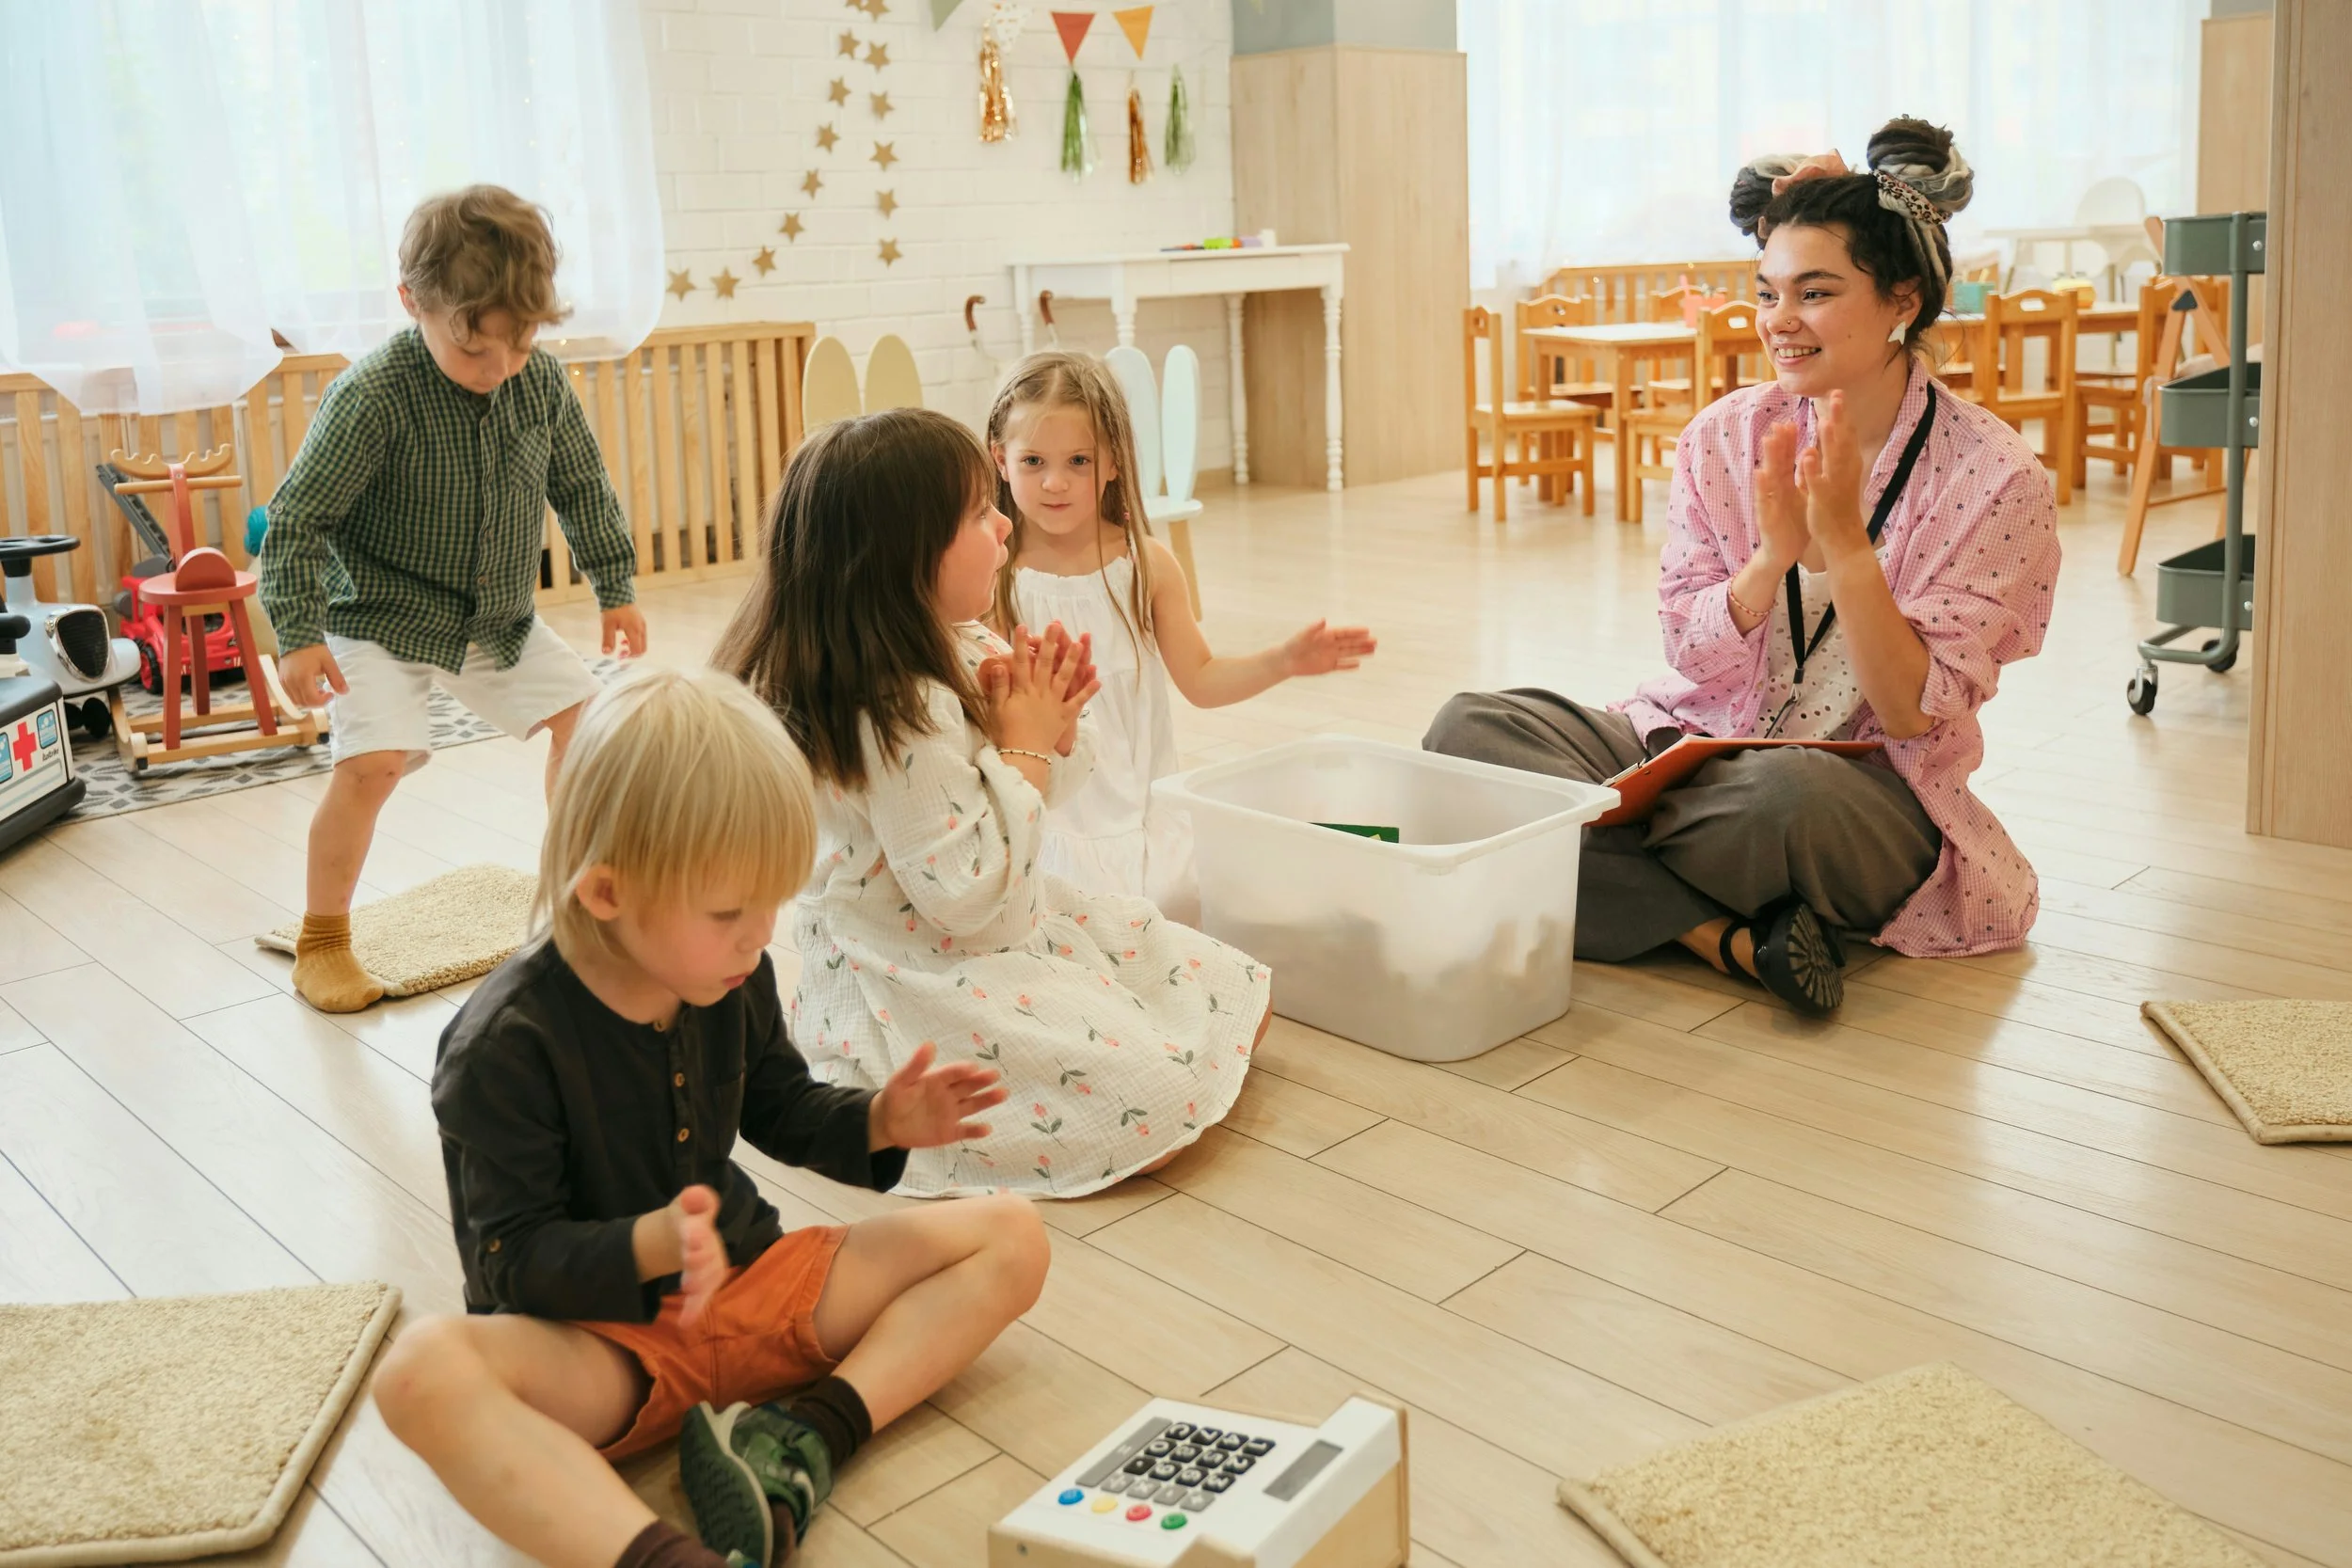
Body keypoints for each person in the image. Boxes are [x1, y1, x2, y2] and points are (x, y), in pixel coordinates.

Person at [375, 667, 1047, 1568]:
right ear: (606, 892)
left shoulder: (729, 973)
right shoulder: (504, 1044)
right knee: (420, 1370)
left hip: (751, 1286)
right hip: (604, 1349)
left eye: (771, 901)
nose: (758, 934)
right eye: (729, 910)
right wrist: (648, 1246)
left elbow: (781, 1106)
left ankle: (803, 1436)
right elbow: (513, 1267)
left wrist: (882, 1121)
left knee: (1013, 1235)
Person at [1424, 117, 2058, 1016]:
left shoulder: (1996, 480)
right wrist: (1769, 562)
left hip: (1852, 796)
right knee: (1469, 735)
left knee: (1778, 794)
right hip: (1690, 747)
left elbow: (1913, 709)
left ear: (1904, 299)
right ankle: (1720, 934)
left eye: (1815, 292)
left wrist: (1845, 545)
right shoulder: (1723, 436)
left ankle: (1574, 851)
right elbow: (1692, 651)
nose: (1779, 323)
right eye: (1767, 293)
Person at [713, 406, 1272, 1199]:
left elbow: (1027, 802)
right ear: (904, 556)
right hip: (921, 971)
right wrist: (1025, 746)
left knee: (1238, 987)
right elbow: (968, 897)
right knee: (1158, 1101)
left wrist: (1055, 729)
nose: (1005, 525)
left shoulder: (959, 638)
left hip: (1001, 923)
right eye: (979, 513)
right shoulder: (893, 708)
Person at [260, 185, 647, 1016]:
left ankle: (580, 899)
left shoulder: (538, 384)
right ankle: (322, 937)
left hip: (496, 616)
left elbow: (583, 487)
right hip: (378, 614)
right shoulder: (372, 395)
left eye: (517, 345)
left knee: (586, 727)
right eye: (473, 350)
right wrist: (296, 633)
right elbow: (298, 516)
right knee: (372, 766)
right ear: (413, 305)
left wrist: (615, 586)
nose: (497, 369)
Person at [988, 351, 1375, 918]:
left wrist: (1284, 660)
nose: (1055, 482)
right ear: (1001, 460)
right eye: (1033, 461)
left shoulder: (1146, 565)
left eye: (1078, 460)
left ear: (1115, 461)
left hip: (1140, 820)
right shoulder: (995, 574)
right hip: (1045, 824)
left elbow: (1201, 679)